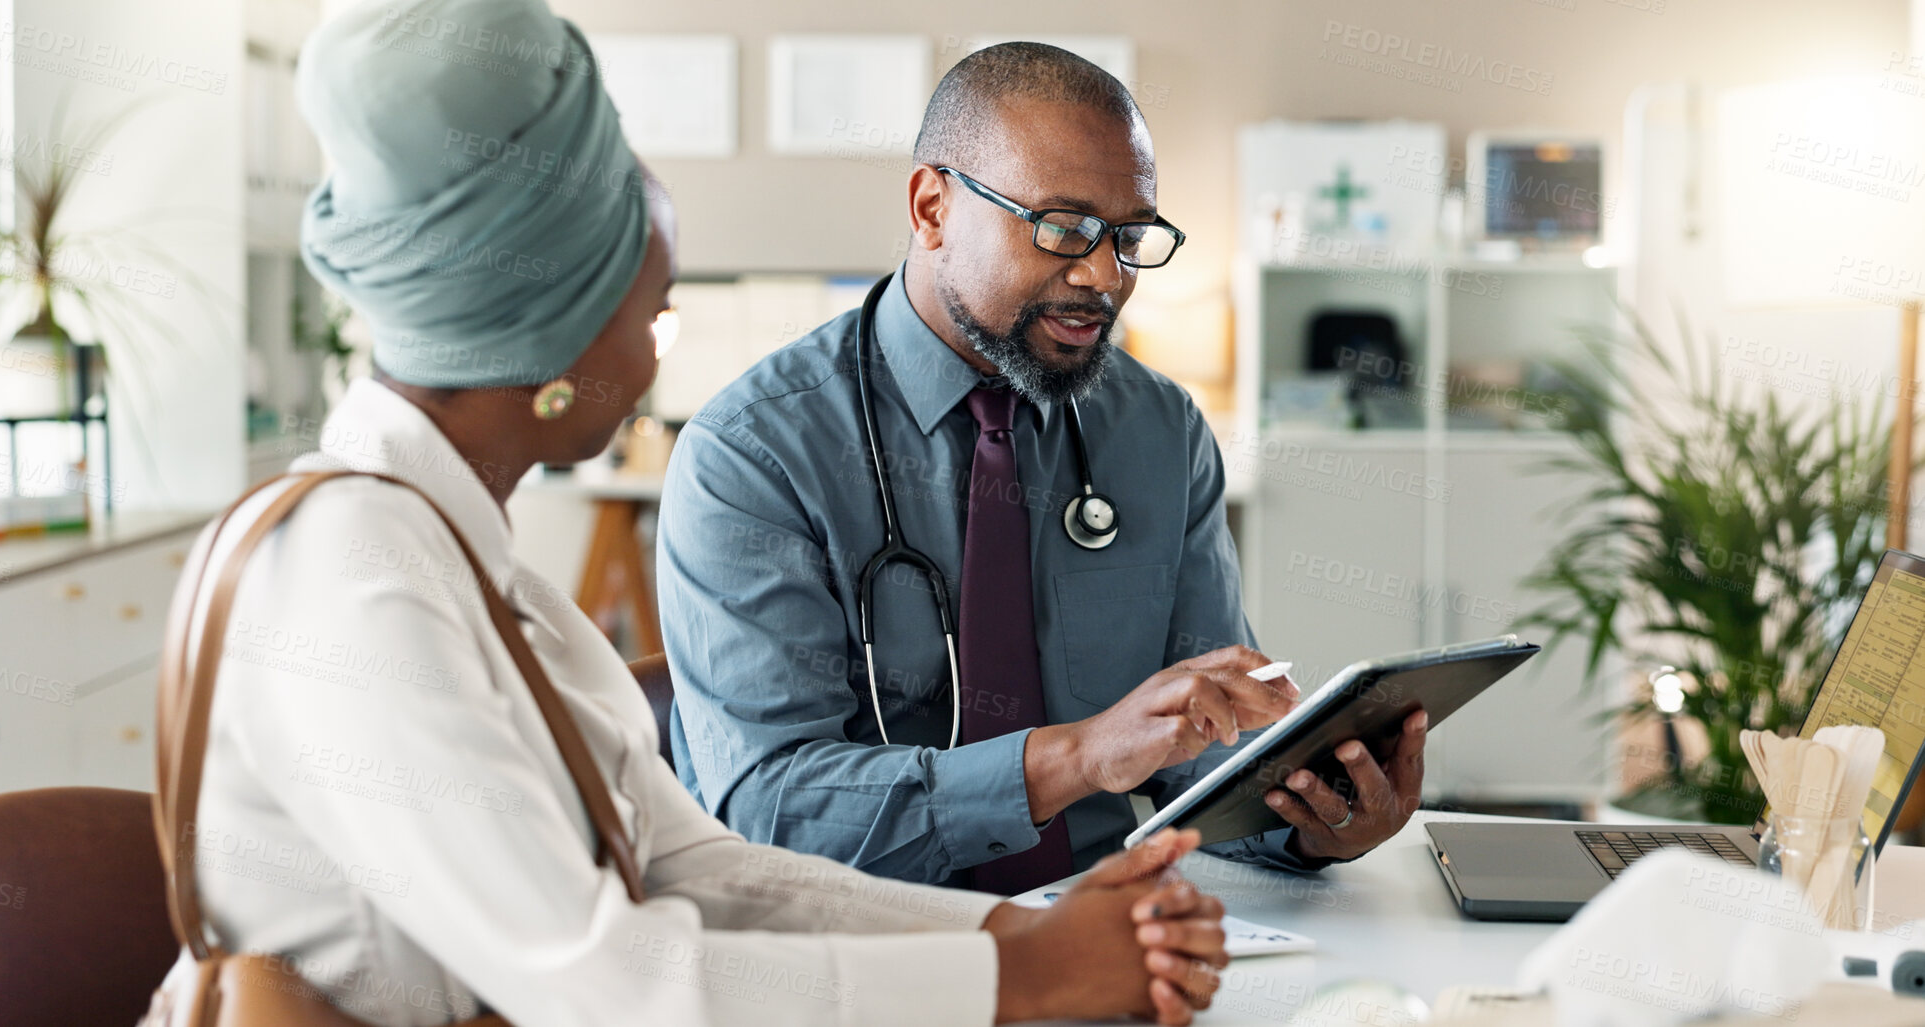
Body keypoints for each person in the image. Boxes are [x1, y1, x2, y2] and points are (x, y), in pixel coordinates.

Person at [154, 3, 1231, 1024]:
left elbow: (705, 873)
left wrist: (1025, 933)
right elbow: (608, 982)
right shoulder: (348, 574)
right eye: (657, 314)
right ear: (552, 345)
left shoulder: (468, 569)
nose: (663, 353)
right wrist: (1020, 978)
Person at [657, 42, 1430, 895]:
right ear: (932, 209)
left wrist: (1313, 820)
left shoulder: (1159, 430)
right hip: (855, 948)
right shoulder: (755, 453)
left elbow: (1198, 766)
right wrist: (1080, 755)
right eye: (1063, 227)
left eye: (1129, 237)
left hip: (1097, 936)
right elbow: (769, 811)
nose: (1104, 275)